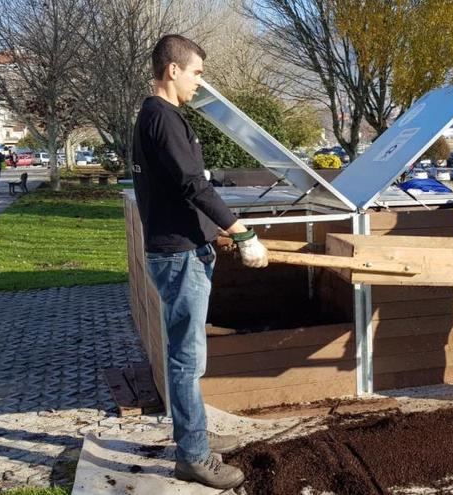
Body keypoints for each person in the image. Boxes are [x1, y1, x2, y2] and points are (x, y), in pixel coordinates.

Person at [132, 34, 269, 490]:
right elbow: (193, 184)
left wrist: (215, 232)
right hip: (178, 255)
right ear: (173, 70)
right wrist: (242, 232)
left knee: (190, 357)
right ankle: (193, 457)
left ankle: (195, 436)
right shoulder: (162, 119)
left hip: (183, 248)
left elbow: (183, 187)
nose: (198, 83)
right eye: (196, 73)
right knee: (188, 359)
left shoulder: (160, 118)